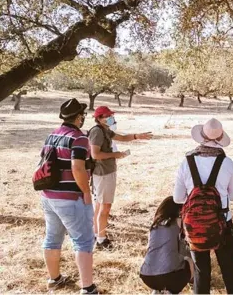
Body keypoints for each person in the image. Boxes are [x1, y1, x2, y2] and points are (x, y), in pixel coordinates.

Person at [173, 118, 233, 294]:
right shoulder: (226, 163)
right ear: (220, 139)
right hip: (223, 222)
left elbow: (177, 198)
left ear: (201, 137)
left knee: (201, 272)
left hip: (194, 224)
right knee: (229, 270)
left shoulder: (186, 163)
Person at [39, 98, 98, 294]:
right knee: (83, 241)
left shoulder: (51, 135)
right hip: (71, 197)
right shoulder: (79, 138)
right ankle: (88, 288)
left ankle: (54, 279)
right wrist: (87, 192)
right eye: (83, 115)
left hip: (49, 196)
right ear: (79, 117)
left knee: (52, 238)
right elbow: (78, 168)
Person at [89, 106, 153, 250]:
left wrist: (137, 136)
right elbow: (95, 155)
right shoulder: (97, 132)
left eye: (111, 115)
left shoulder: (105, 130)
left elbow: (122, 138)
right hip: (103, 174)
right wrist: (115, 155)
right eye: (108, 116)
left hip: (106, 172)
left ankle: (96, 235)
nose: (111, 118)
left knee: (100, 205)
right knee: (104, 206)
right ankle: (101, 240)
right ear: (99, 118)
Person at [140, 196, 194, 294]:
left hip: (147, 275)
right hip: (170, 276)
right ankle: (174, 291)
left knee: (163, 264)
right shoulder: (179, 222)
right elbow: (185, 247)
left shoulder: (154, 226)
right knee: (189, 261)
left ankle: (157, 290)